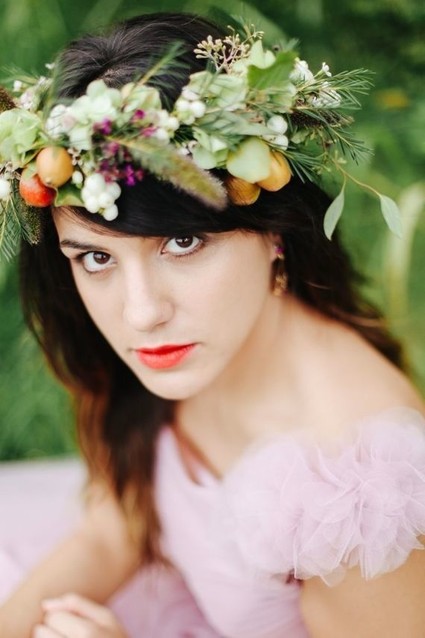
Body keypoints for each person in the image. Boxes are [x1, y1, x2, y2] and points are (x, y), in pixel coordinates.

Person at [0, 11, 425, 638]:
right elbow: (117, 527)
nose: (141, 313)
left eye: (182, 242)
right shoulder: (193, 347)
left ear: (275, 234)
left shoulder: (356, 489)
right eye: (97, 258)